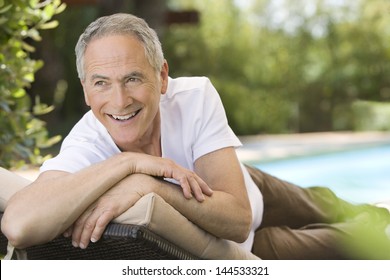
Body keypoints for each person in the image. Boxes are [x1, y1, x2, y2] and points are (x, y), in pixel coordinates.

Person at [2, 13, 389, 260]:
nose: (119, 100)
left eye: (133, 78)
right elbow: (18, 225)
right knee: (358, 240)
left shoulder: (194, 95)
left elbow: (237, 214)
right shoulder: (87, 142)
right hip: (246, 246)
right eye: (101, 83)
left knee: (323, 202)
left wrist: (144, 185)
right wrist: (133, 168)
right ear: (86, 91)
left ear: (162, 76)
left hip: (247, 186)